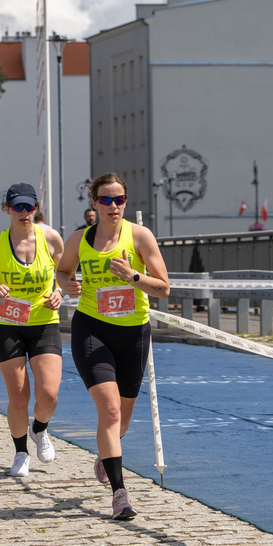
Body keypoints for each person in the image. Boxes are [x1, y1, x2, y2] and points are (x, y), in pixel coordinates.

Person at [55, 172, 170, 520]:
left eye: (119, 199)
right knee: (110, 411)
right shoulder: (79, 239)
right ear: (94, 203)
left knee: (123, 419)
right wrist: (69, 285)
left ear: (126, 202)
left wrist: (133, 277)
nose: (113, 206)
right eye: (105, 199)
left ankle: (107, 453)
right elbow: (62, 272)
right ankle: (121, 494)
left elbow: (164, 288)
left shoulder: (139, 236)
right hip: (92, 330)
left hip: (134, 333)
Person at [0, 182, 65, 477]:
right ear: (8, 209)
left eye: (29, 207)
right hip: (6, 325)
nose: (24, 212)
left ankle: (39, 428)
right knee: (19, 396)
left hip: (43, 322)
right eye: (18, 207)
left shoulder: (51, 238)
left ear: (37, 208)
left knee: (49, 395)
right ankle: (21, 452)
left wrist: (60, 292)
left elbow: (65, 275)